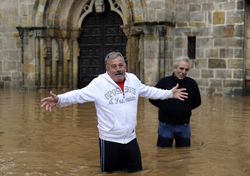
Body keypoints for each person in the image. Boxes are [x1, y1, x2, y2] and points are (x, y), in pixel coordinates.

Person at [41, 51, 188, 173]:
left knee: (136, 172)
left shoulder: (133, 80)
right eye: (114, 66)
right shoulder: (99, 84)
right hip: (110, 140)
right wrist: (59, 100)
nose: (118, 69)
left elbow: (149, 91)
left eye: (121, 65)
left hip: (130, 139)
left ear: (125, 66)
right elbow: (78, 95)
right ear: (107, 69)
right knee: (109, 174)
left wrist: (169, 93)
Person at [149, 56, 201, 148]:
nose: (183, 72)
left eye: (186, 69)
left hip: (184, 126)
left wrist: (185, 108)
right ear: (174, 68)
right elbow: (152, 98)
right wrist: (165, 107)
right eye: (181, 68)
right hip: (165, 125)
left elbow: (197, 102)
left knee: (184, 154)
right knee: (163, 153)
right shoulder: (164, 82)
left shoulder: (192, 83)